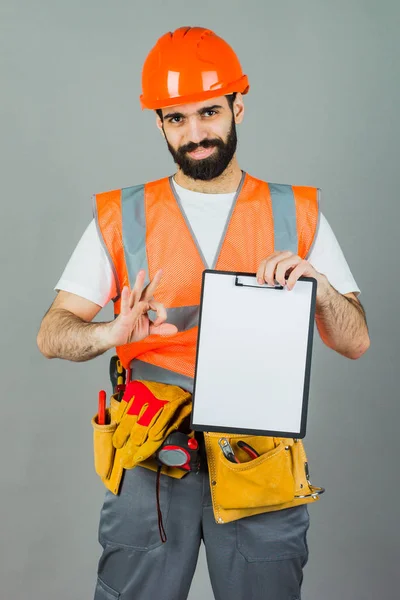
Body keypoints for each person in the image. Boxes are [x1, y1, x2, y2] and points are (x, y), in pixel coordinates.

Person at [37, 26, 370, 600]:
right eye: (176, 118)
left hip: (257, 455)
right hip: (151, 457)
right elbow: (52, 334)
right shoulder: (124, 216)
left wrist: (318, 289)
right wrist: (108, 332)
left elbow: (356, 340)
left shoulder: (297, 213)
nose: (196, 134)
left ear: (239, 105)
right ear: (159, 122)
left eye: (210, 112)